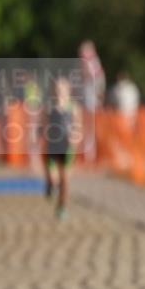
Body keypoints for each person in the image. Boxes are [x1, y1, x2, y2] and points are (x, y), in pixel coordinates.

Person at [43, 77, 80, 220]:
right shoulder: (49, 107)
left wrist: (74, 137)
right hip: (52, 145)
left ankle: (61, 207)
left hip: (67, 146)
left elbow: (78, 127)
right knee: (53, 178)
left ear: (68, 91)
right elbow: (44, 125)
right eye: (57, 89)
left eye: (62, 89)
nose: (60, 92)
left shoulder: (74, 107)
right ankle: (50, 185)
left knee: (65, 180)